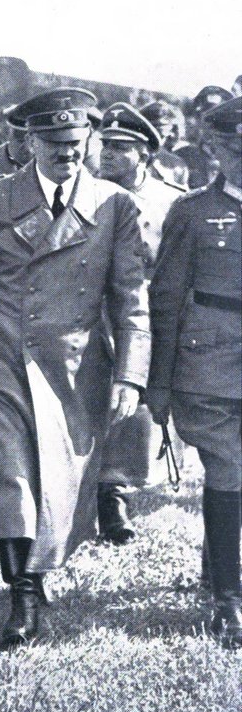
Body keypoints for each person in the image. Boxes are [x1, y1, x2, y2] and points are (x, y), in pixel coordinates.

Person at [0, 88, 150, 649]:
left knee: (61, 482)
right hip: (2, 352)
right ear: (30, 142)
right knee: (8, 471)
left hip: (76, 364)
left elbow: (131, 298)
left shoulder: (114, 205)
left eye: (76, 143)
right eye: (54, 143)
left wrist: (130, 373)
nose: (66, 153)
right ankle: (23, 595)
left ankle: (38, 568)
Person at [147, 96, 242, 649]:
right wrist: (159, 383)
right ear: (216, 152)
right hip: (210, 361)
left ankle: (219, 566)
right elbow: (165, 299)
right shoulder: (192, 212)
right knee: (227, 468)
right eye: (237, 151)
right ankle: (228, 599)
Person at [96, 102, 185, 542]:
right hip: (93, 310)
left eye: (121, 147)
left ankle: (116, 488)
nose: (108, 154)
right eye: (105, 145)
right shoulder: (85, 192)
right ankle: (101, 488)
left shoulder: (172, 201)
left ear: (145, 154)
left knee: (138, 400)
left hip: (149, 310)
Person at [174, 87, 233, 189]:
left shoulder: (236, 158)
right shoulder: (182, 156)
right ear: (198, 120)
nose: (212, 124)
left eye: (219, 118)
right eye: (207, 118)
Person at [140, 100, 189, 189]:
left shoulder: (176, 166)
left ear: (169, 134)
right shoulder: (126, 156)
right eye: (148, 135)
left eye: (161, 136)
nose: (153, 142)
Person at [0, 103, 32, 179]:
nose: (28, 148)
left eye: (32, 142)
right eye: (21, 141)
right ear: (7, 134)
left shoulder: (47, 159)